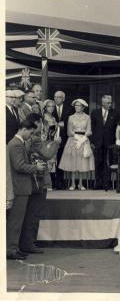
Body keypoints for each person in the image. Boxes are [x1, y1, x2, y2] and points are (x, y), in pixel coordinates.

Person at [6, 120, 46, 260]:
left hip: (20, 187)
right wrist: (36, 168)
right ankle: (11, 249)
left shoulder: (16, 143)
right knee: (15, 221)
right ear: (24, 129)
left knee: (17, 220)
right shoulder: (16, 144)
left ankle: (14, 247)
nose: (30, 135)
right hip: (20, 188)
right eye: (30, 132)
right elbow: (19, 166)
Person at [24, 112, 61, 254]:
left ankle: (28, 243)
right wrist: (56, 144)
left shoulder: (33, 139)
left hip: (35, 179)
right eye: (42, 123)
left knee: (33, 212)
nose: (43, 126)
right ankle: (29, 243)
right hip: (38, 179)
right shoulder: (34, 139)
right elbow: (47, 154)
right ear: (37, 123)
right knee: (34, 213)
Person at [58, 99, 95, 191]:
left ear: (83, 107)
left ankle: (81, 183)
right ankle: (73, 183)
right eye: (76, 106)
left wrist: (82, 139)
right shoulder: (71, 117)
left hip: (84, 140)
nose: (77, 107)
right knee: (73, 161)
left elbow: (89, 130)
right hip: (73, 140)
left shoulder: (87, 117)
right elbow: (69, 131)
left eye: (79, 106)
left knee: (82, 162)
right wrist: (77, 138)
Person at [91, 95, 120, 191]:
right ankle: (97, 183)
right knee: (98, 163)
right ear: (102, 103)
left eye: (111, 102)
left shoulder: (115, 113)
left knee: (108, 163)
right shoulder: (95, 113)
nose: (110, 104)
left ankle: (106, 184)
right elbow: (92, 128)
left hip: (110, 143)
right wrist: (92, 142)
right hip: (98, 142)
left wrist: (116, 141)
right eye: (108, 103)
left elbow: (117, 128)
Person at [53, 91, 71, 189]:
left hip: (64, 138)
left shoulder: (69, 109)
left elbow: (70, 122)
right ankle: (53, 182)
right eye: (55, 97)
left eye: (59, 97)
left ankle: (61, 182)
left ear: (63, 98)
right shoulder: (50, 108)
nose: (56, 99)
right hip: (53, 138)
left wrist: (64, 125)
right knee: (52, 161)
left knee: (61, 160)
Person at [42, 99, 59, 189]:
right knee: (46, 162)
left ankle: (49, 183)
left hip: (53, 141)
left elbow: (55, 131)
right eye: (49, 106)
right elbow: (43, 132)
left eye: (53, 106)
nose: (51, 108)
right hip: (45, 142)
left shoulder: (54, 118)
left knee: (52, 162)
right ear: (45, 107)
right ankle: (45, 184)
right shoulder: (43, 117)